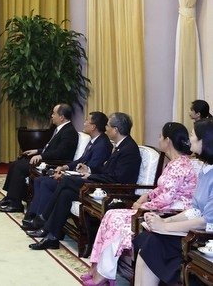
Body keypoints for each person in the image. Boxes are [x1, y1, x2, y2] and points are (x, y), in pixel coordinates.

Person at [81, 122, 198, 286]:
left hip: (171, 212)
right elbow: (162, 190)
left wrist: (143, 206)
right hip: (160, 208)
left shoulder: (180, 165)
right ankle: (98, 270)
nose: (159, 139)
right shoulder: (174, 163)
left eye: (160, 136)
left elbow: (167, 199)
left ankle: (103, 275)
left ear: (168, 140)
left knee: (116, 219)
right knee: (110, 215)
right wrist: (146, 196)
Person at [27, 112, 141, 251]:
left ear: (116, 130)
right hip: (102, 183)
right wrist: (90, 170)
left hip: (112, 190)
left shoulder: (129, 149)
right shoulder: (120, 144)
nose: (106, 128)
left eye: (108, 126)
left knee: (66, 181)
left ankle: (44, 218)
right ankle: (52, 237)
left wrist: (90, 177)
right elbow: (106, 169)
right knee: (66, 194)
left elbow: (118, 179)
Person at [132, 119, 213, 285]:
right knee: (149, 240)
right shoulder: (206, 170)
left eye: (192, 135)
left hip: (204, 237)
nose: (189, 139)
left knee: (153, 243)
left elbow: (207, 220)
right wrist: (164, 221)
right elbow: (195, 210)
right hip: (196, 229)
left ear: (204, 141)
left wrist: (165, 227)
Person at [22, 111, 112, 231]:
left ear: (93, 126)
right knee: (40, 180)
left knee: (46, 182)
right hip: (78, 176)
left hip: (87, 181)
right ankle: (34, 216)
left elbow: (93, 167)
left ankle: (41, 219)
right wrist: (65, 167)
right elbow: (81, 160)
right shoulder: (94, 141)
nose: (84, 123)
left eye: (86, 121)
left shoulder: (102, 144)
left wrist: (71, 172)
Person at [0, 104, 79, 213]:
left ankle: (16, 204)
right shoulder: (59, 129)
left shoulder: (69, 132)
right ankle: (10, 198)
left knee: (20, 167)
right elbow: (50, 148)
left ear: (61, 117)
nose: (51, 116)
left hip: (54, 163)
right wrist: (37, 151)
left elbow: (61, 153)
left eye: (54, 113)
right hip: (47, 159)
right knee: (15, 163)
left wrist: (41, 156)